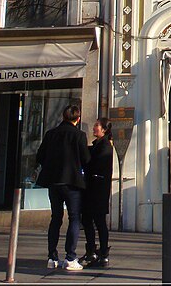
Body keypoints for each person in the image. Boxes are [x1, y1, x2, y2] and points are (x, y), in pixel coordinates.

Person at [36, 104, 90, 271]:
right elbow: (86, 159)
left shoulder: (51, 134)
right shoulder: (79, 135)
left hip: (53, 182)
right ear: (78, 118)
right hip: (71, 182)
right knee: (74, 218)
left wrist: (51, 167)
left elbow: (40, 156)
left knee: (56, 218)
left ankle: (52, 257)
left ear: (63, 116)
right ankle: (70, 257)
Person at [80, 118, 114, 268]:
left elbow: (93, 165)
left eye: (97, 126)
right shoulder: (98, 145)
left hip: (97, 190)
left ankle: (101, 252)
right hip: (93, 189)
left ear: (104, 130)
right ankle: (93, 249)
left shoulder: (105, 146)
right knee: (88, 220)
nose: (94, 128)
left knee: (98, 221)